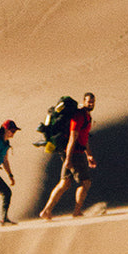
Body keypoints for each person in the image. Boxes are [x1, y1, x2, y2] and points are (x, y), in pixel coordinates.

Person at [39, 91, 95, 219]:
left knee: (64, 183)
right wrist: (68, 159)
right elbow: (72, 138)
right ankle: (77, 212)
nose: (91, 104)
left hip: (74, 153)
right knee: (85, 182)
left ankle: (46, 211)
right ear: (84, 101)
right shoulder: (79, 117)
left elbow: (84, 138)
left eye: (92, 102)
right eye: (88, 101)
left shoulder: (87, 116)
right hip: (74, 154)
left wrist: (89, 155)